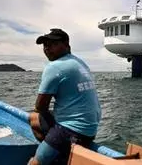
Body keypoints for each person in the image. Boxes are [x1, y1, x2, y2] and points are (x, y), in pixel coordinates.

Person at [28, 28, 102, 165]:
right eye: (45, 45)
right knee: (33, 118)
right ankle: (56, 149)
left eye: (53, 44)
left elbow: (40, 106)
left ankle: (49, 153)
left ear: (67, 45)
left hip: (72, 131)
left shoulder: (54, 67)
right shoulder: (80, 63)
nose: (47, 48)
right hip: (91, 130)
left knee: (34, 163)